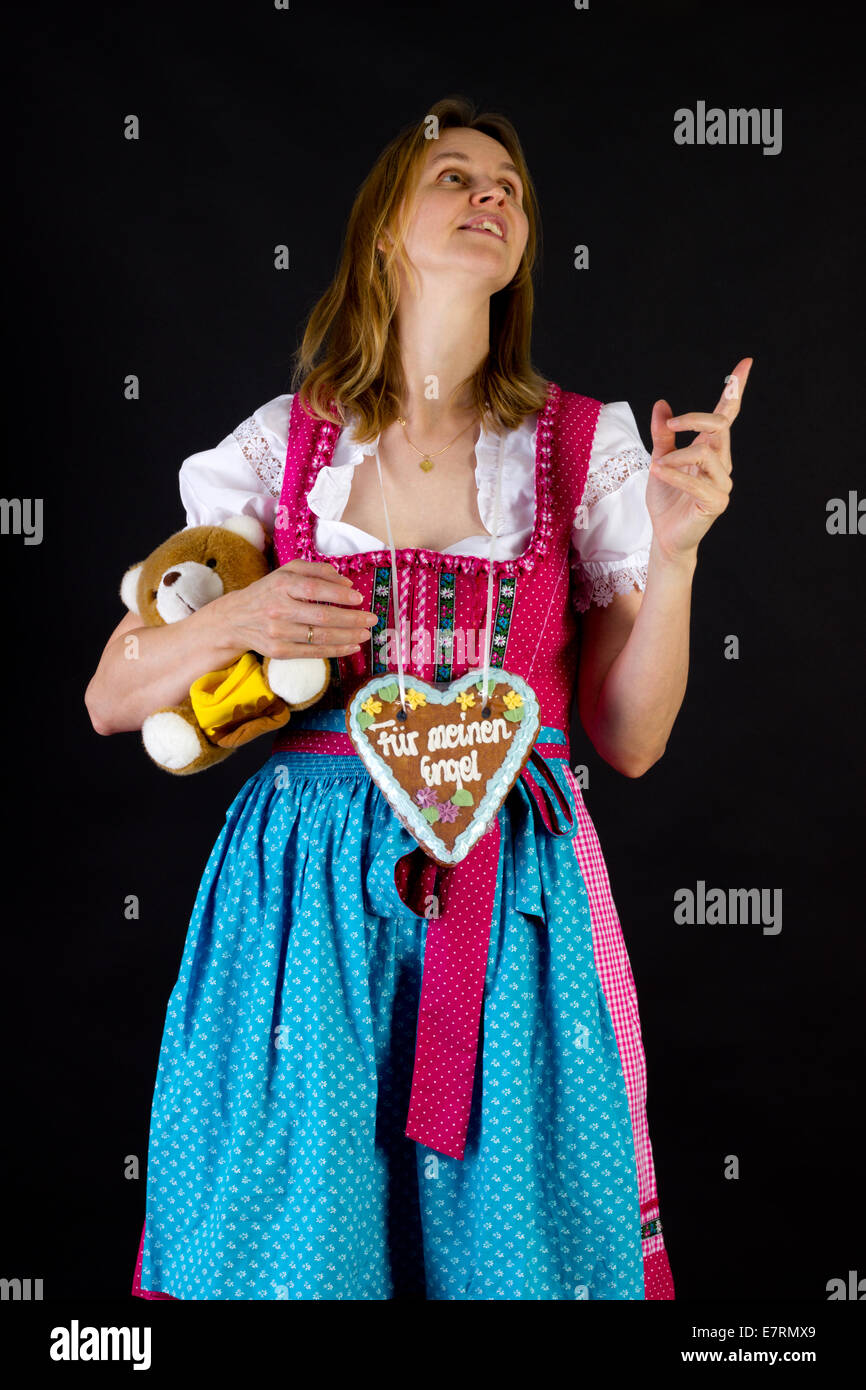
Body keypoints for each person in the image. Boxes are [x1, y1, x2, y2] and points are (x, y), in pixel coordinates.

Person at [86, 95, 750, 1300]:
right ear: (386, 227)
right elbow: (110, 694)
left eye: (509, 187)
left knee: (512, 1255)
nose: (490, 196)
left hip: (510, 902)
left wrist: (678, 549)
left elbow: (632, 740)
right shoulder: (284, 446)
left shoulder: (580, 446)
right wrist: (243, 617)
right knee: (298, 1249)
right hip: (302, 911)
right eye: (455, 175)